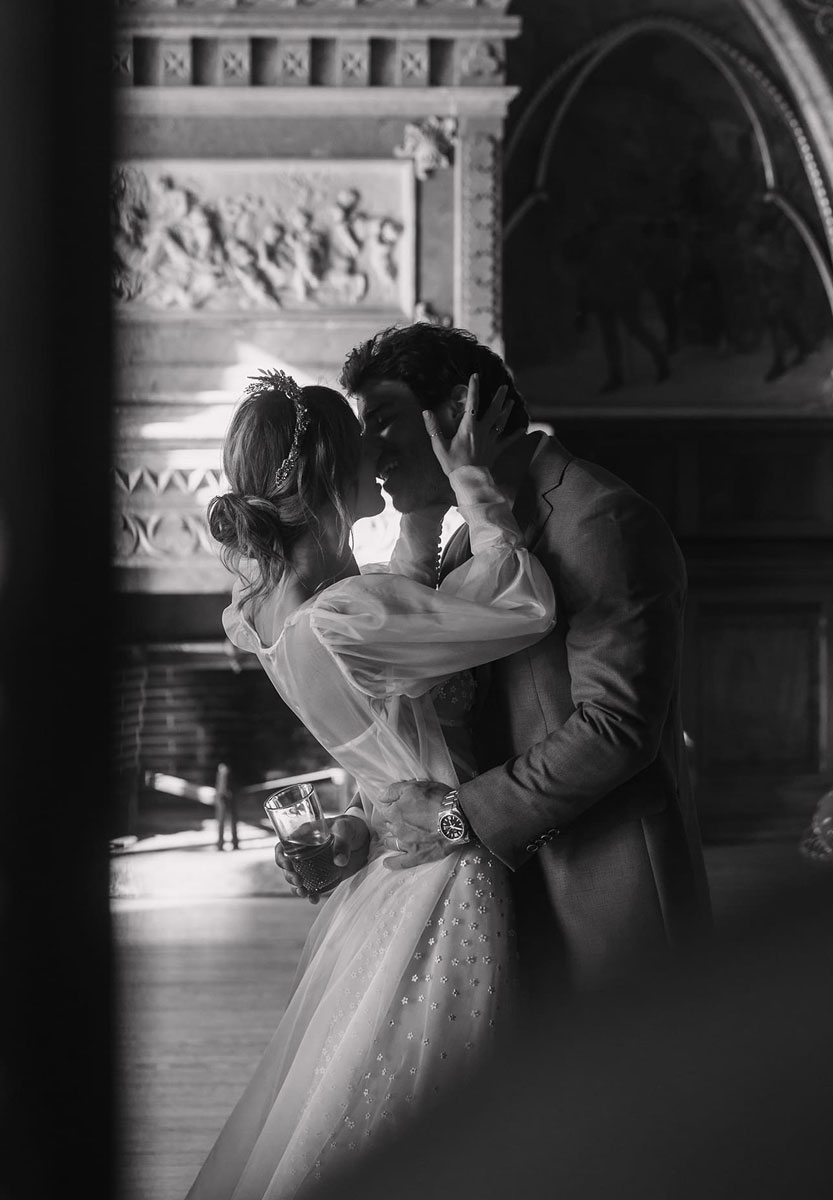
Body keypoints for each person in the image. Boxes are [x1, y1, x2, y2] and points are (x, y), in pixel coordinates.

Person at [184, 368, 557, 1200]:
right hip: (445, 870)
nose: (380, 461)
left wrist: (424, 520)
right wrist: (471, 486)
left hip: (387, 861)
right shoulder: (347, 615)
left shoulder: (265, 614)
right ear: (329, 483)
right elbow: (521, 606)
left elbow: (408, 616)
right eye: (363, 449)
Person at [283, 322, 711, 997]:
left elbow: (617, 730)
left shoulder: (597, 518)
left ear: (461, 413)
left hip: (600, 903)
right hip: (498, 906)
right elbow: (442, 734)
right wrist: (369, 825)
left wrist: (456, 817)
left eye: (385, 422)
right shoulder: (467, 546)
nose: (369, 452)